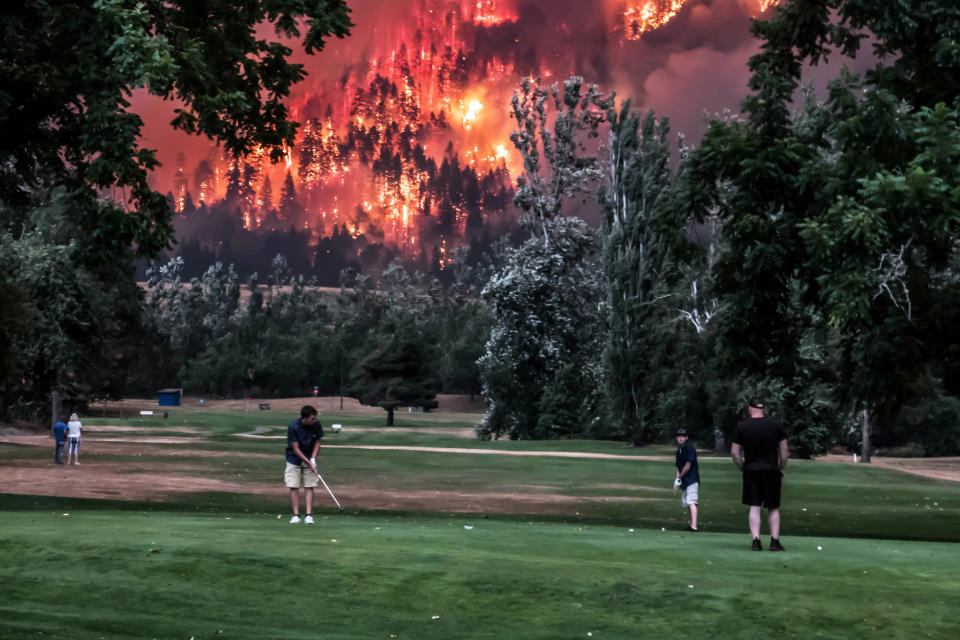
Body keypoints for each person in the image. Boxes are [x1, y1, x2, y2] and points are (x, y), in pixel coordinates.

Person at [731, 397, 789, 551]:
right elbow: (784, 451)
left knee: (754, 506)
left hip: (751, 470)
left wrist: (742, 467)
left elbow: (734, 453)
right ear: (763, 408)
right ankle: (774, 541)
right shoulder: (776, 425)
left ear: (750, 409)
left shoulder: (742, 427)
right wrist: (782, 468)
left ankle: (756, 541)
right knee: (773, 507)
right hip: (771, 470)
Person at [284, 405, 324, 524]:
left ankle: (308, 515)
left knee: (309, 485)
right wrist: (308, 461)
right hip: (293, 458)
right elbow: (295, 448)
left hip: (309, 456)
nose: (315, 420)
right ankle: (296, 515)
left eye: (315, 418)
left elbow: (317, 442)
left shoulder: (316, 425)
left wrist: (313, 459)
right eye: (312, 418)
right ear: (304, 418)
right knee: (294, 485)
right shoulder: (293, 427)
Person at [674, 428, 700, 531]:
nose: (681, 438)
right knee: (688, 502)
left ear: (686, 437)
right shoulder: (679, 450)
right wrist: (676, 482)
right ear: (676, 438)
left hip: (692, 479)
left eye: (683, 436)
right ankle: (692, 524)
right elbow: (679, 468)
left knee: (691, 501)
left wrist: (679, 478)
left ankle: (694, 526)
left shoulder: (689, 447)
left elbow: (688, 465)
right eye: (679, 436)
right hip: (685, 480)